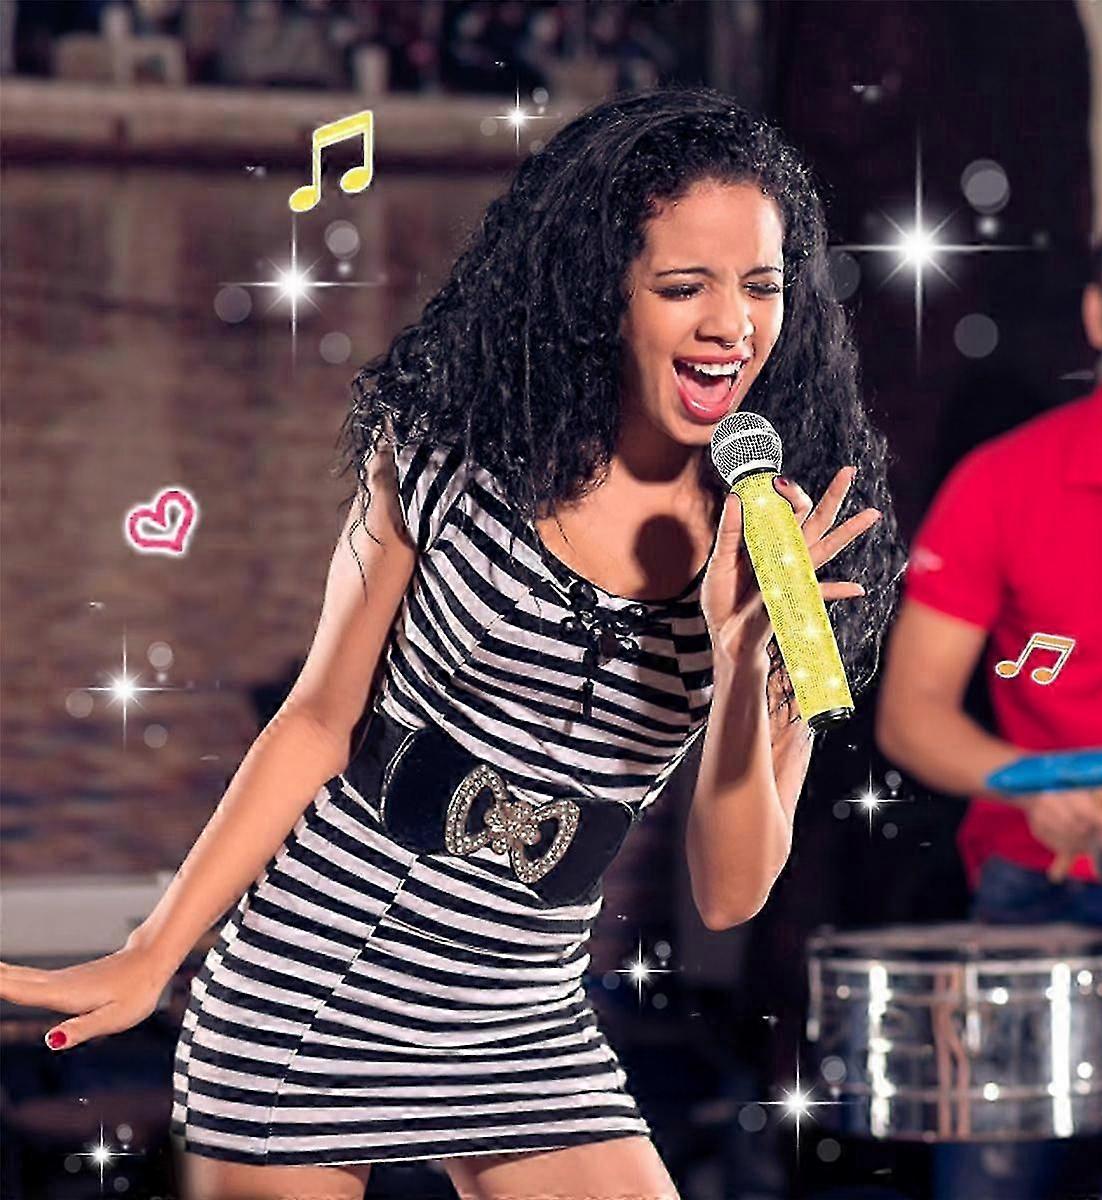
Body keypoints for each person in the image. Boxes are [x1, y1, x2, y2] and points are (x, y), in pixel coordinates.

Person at [0, 88, 902, 1200]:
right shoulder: (447, 452)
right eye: (685, 287)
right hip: (319, 979)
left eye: (760, 286)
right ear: (605, 291)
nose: (732, 325)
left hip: (525, 1017)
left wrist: (739, 657)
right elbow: (317, 721)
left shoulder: (789, 556)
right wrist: (155, 952)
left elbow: (728, 894)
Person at [877, 187, 1102, 1199]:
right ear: (1099, 316)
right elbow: (911, 715)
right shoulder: (1004, 482)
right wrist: (1031, 781)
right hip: (1043, 891)